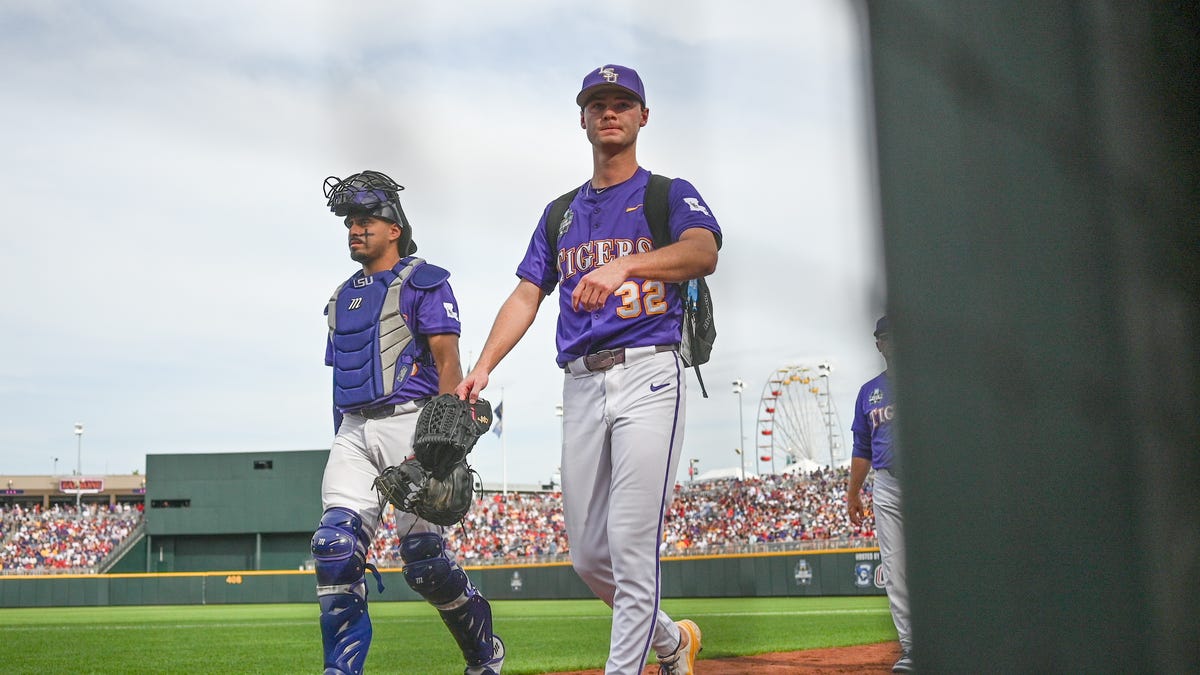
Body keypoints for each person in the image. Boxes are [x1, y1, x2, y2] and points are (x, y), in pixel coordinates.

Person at [456, 64, 721, 675]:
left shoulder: (666, 193)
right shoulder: (560, 213)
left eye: (622, 102)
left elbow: (702, 251)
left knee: (630, 551)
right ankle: (672, 643)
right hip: (579, 382)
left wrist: (627, 267)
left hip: (651, 373)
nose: (610, 111)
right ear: (582, 118)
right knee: (588, 558)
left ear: (642, 117)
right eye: (597, 102)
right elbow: (527, 292)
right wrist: (484, 367)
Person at [311, 170, 504, 675]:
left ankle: (485, 654)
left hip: (412, 425)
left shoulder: (425, 282)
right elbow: (342, 380)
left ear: (394, 227)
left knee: (424, 563)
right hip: (354, 429)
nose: (355, 229)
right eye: (350, 222)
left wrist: (444, 447)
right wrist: (342, 437)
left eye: (366, 220)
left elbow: (449, 367)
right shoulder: (338, 298)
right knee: (334, 549)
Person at [846, 315, 912, 673]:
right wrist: (853, 493)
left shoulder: (926, 382)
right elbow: (862, 448)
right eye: (886, 338)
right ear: (879, 345)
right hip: (886, 483)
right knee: (896, 569)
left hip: (926, 481)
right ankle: (912, 647)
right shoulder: (869, 392)